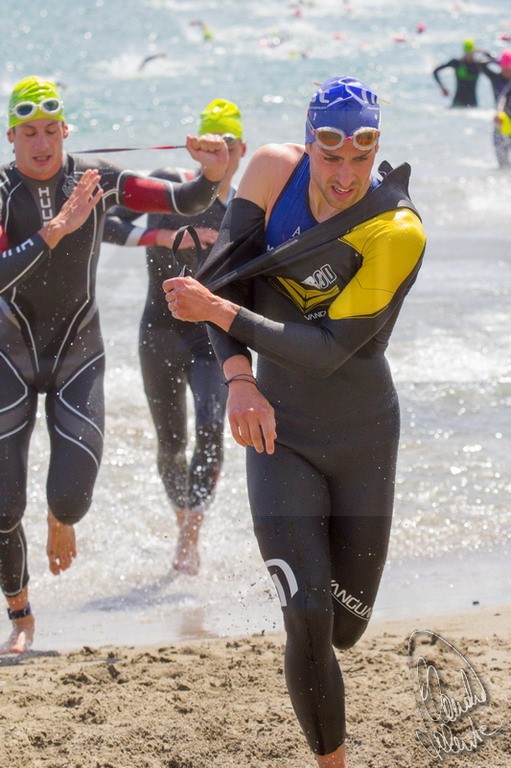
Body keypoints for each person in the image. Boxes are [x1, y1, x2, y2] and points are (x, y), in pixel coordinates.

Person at [161, 76, 426, 767]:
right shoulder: (271, 173)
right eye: (329, 156)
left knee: (344, 626)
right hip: (275, 430)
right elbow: (224, 276)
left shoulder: (395, 228)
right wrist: (239, 379)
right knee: (305, 615)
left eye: (360, 159)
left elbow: (327, 349)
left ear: (376, 151)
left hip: (361, 435)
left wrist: (219, 311)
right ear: (308, 144)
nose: (343, 176)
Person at [0, 75, 228, 654]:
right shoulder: (1, 190)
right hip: (9, 356)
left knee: (71, 497)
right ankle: (21, 613)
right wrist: (55, 231)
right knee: (2, 505)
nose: (41, 142)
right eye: (29, 132)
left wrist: (210, 174)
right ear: (12, 138)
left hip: (77, 353)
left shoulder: (96, 179)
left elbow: (182, 202)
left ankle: (59, 519)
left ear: (65, 131)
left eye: (50, 130)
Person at [103, 99, 247, 575]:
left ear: (242, 149)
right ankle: (183, 518)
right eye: (212, 145)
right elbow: (104, 222)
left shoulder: (244, 211)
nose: (220, 153)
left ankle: (190, 534)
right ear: (197, 148)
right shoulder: (169, 189)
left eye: (229, 145)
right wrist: (164, 238)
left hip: (210, 341)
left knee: (210, 429)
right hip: (159, 334)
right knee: (171, 443)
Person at [433, 39, 494, 107]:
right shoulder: (457, 63)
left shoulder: (478, 64)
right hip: (457, 102)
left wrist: (480, 50)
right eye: (467, 53)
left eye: (471, 53)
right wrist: (442, 87)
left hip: (473, 103)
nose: (469, 55)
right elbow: (435, 71)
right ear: (464, 52)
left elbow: (493, 59)